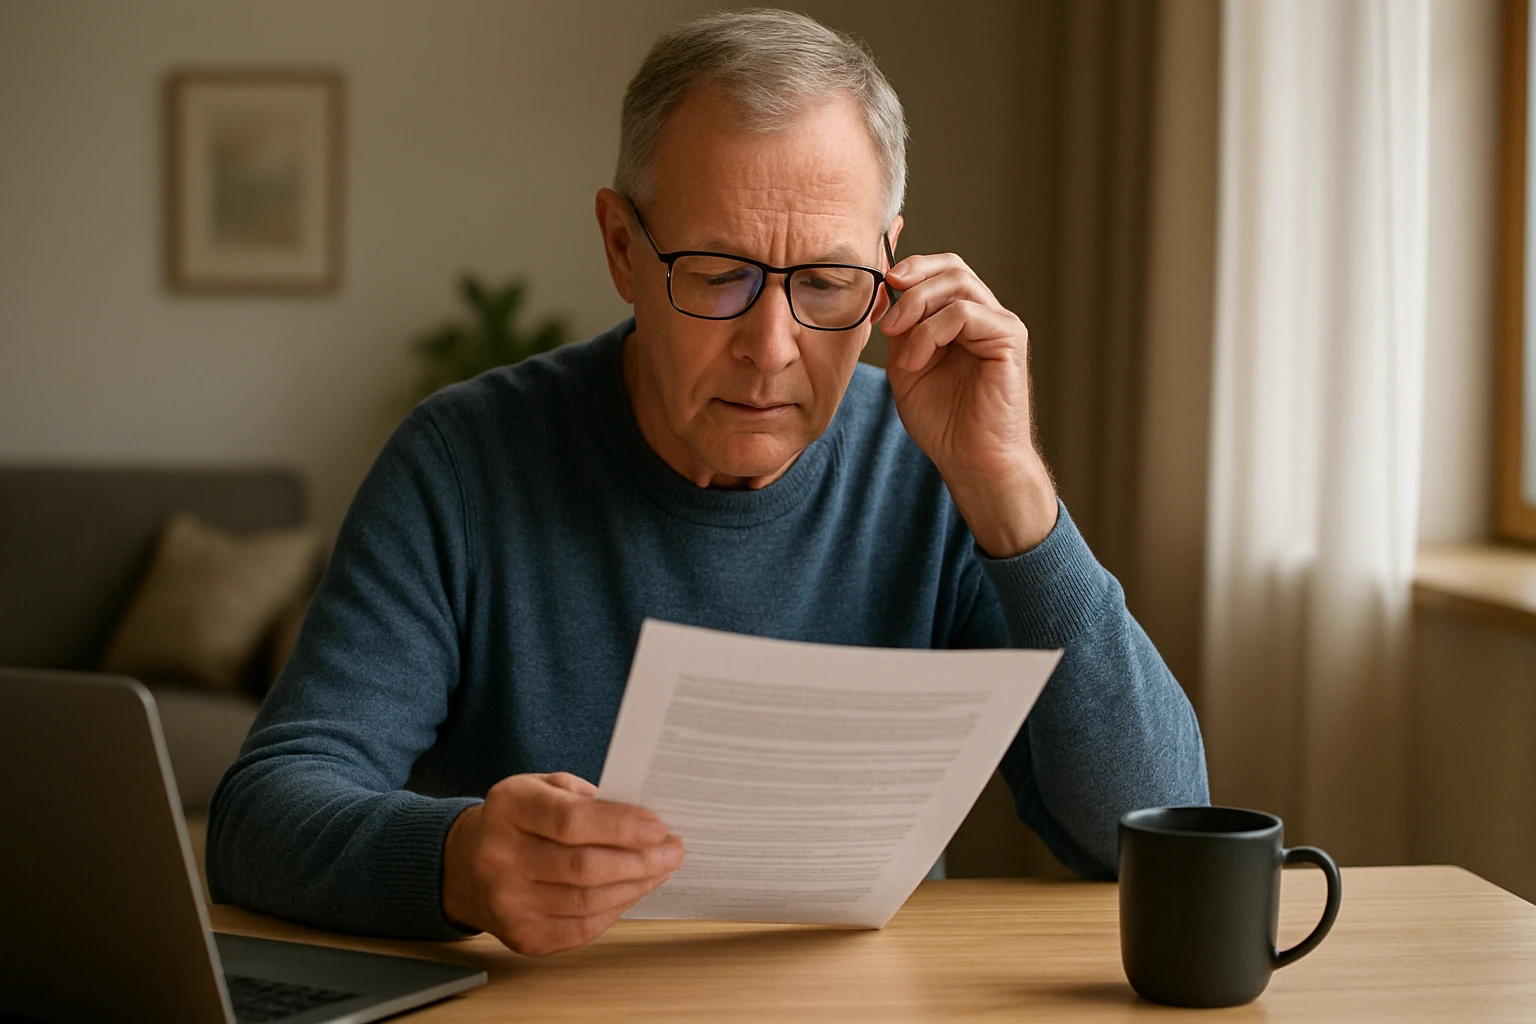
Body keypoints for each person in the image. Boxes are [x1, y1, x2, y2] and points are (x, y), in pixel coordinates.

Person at [207, 8, 1208, 958]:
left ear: (891, 266)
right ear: (621, 250)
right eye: (718, 274)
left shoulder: (939, 469)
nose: (771, 350)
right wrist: (456, 862)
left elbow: (1150, 835)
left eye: (824, 282)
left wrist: (1011, 493)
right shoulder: (462, 464)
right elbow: (261, 815)